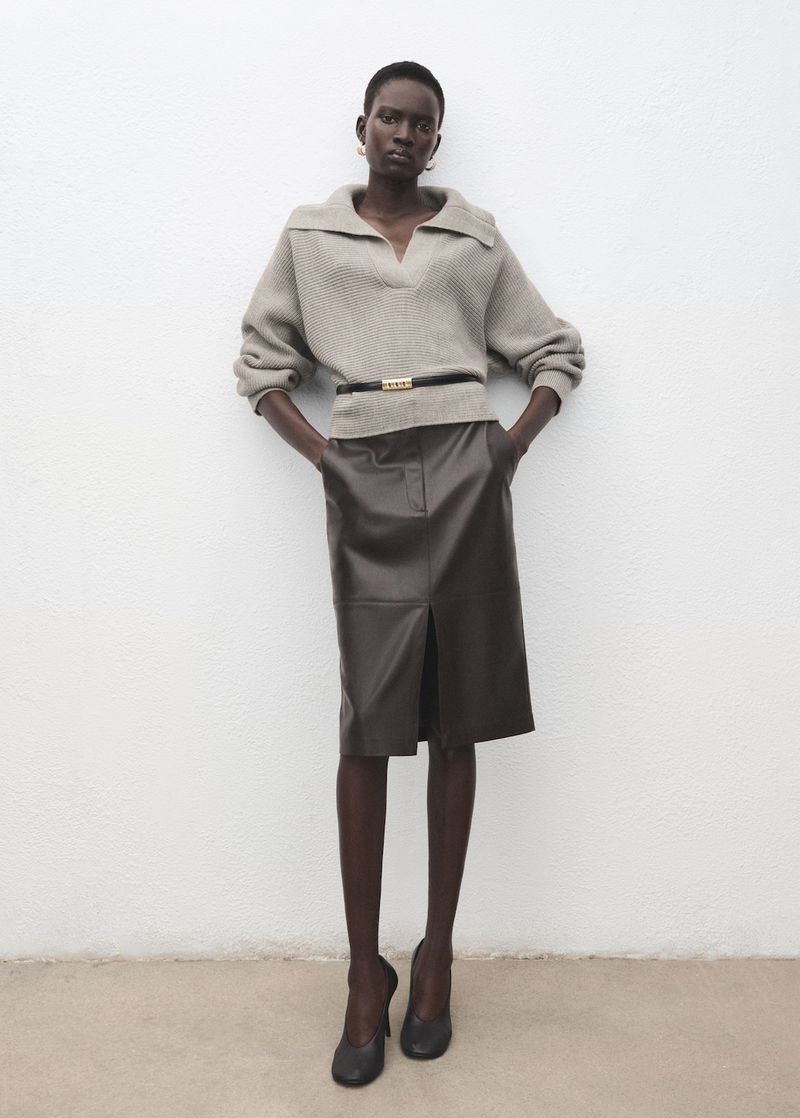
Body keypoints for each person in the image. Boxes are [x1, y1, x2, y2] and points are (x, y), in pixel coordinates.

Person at [232, 60, 585, 1087]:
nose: (402, 133)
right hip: (365, 472)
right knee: (369, 723)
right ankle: (362, 970)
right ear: (361, 128)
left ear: (436, 140)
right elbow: (259, 364)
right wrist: (327, 458)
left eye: (420, 123)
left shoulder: (472, 238)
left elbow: (555, 349)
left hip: (467, 469)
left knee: (457, 716)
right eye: (388, 117)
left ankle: (435, 956)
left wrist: (506, 449)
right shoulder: (310, 237)